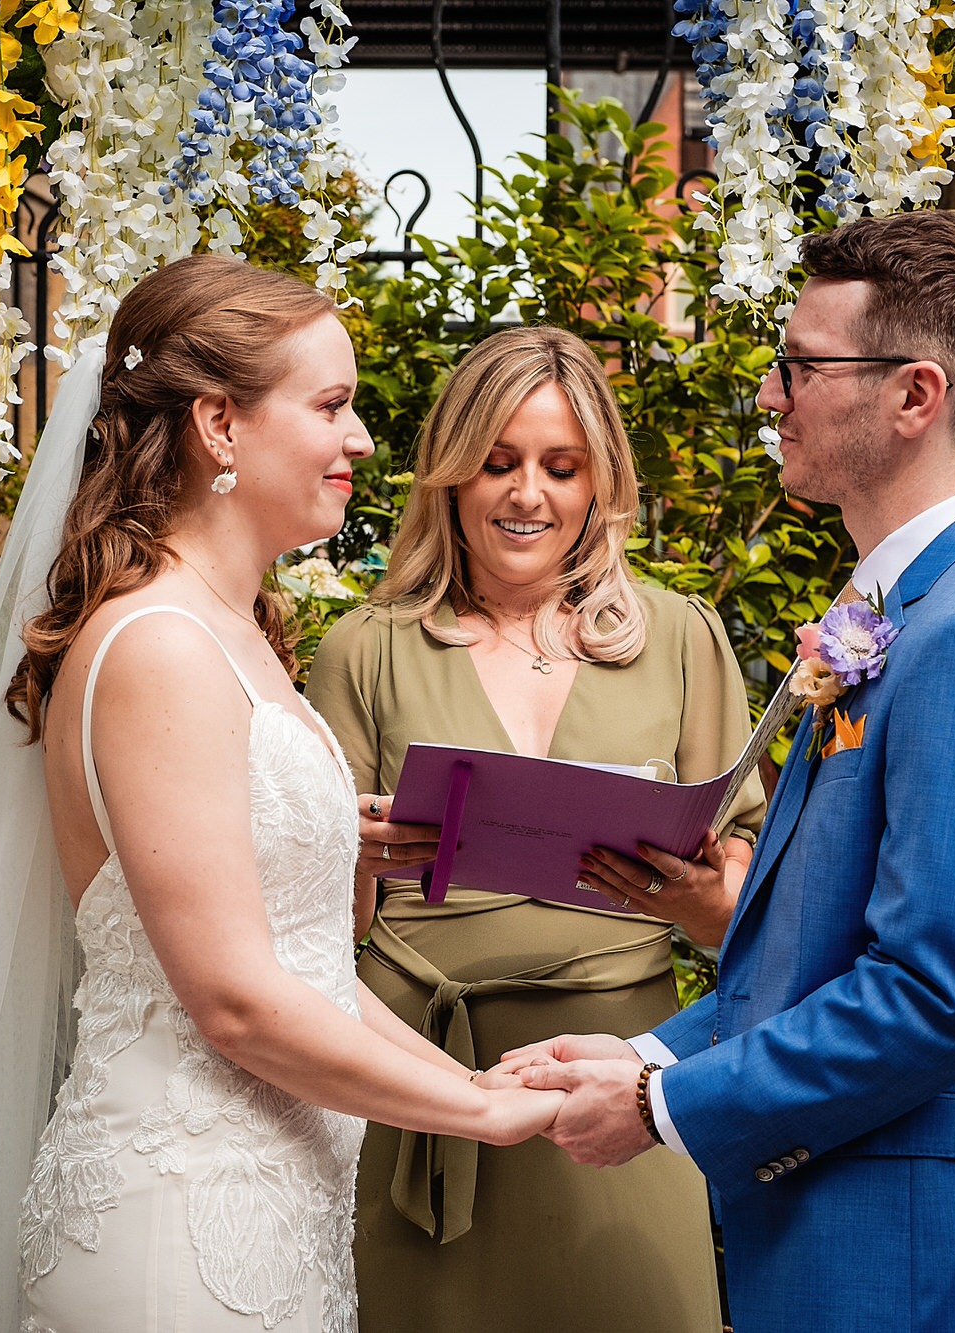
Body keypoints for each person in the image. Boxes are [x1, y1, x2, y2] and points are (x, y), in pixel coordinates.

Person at [0, 255, 564, 1333]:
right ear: (219, 425)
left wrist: (482, 1080)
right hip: (175, 1224)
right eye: (330, 405)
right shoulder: (158, 646)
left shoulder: (235, 635)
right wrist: (476, 1109)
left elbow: (310, 971)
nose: (361, 440)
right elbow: (235, 1000)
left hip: (263, 1211)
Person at [503, 211, 955, 1333]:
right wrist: (649, 1049)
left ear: (913, 396)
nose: (769, 394)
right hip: (855, 1238)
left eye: (800, 365)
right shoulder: (906, 613)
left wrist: (659, 1104)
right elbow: (809, 951)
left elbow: (931, 997)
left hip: (923, 1262)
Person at [305, 325, 766, 1333]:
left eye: (560, 467)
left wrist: (694, 896)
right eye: (498, 463)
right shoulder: (362, 649)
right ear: (451, 477)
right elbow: (310, 938)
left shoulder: (679, 637)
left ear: (599, 482)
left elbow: (750, 914)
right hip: (422, 1079)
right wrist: (353, 850)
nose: (527, 494)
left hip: (615, 1083)